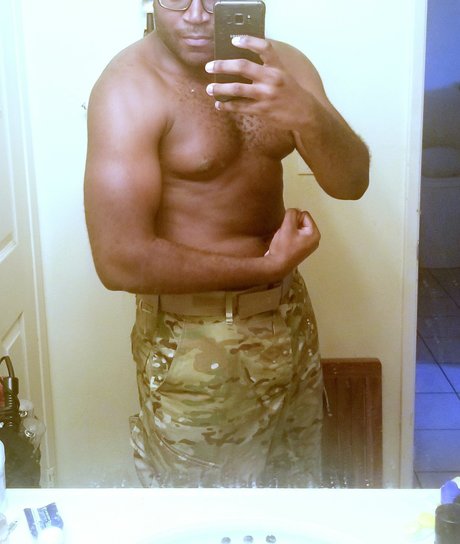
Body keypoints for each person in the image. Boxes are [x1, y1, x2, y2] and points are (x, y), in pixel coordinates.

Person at [84, 0, 369, 488]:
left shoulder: (287, 67)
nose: (197, 14)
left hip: (290, 321)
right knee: (206, 513)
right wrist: (266, 268)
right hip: (195, 342)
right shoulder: (129, 87)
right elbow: (120, 261)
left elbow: (351, 183)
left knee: (296, 494)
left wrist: (305, 113)